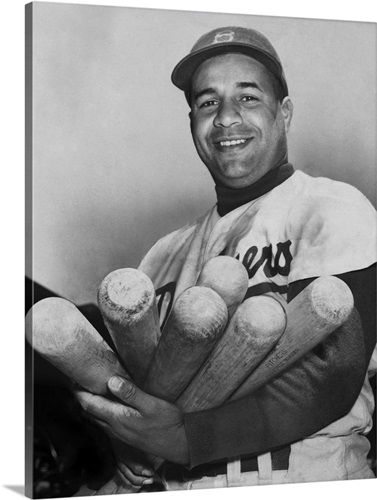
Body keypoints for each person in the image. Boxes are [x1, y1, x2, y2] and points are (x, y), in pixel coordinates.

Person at [76, 26, 377, 490]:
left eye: (249, 98)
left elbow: (332, 373)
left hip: (306, 481)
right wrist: (129, 434)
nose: (226, 118)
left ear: (285, 113)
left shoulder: (331, 209)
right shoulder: (159, 256)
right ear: (193, 121)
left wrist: (189, 438)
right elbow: (140, 394)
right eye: (208, 102)